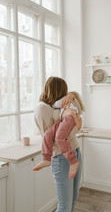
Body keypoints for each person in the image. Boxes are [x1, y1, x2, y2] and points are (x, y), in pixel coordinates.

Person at [34, 76, 83, 212]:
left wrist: (71, 96)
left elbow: (78, 110)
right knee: (64, 206)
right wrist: (77, 127)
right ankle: (45, 159)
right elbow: (53, 139)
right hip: (62, 157)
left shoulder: (61, 103)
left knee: (74, 198)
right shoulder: (43, 108)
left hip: (76, 151)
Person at [33, 91, 85, 179]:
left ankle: (73, 161)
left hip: (70, 118)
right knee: (47, 135)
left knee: (59, 137)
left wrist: (51, 99)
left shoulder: (67, 100)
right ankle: (46, 158)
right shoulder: (67, 101)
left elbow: (55, 104)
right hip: (63, 120)